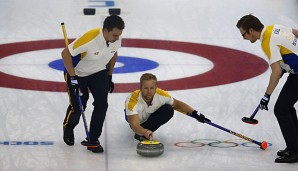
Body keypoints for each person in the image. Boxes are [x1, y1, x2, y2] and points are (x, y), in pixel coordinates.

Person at [236, 14, 298, 163]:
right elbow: (295, 32)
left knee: (281, 109)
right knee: (286, 107)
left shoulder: (267, 41)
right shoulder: (273, 28)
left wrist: (266, 96)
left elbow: (276, 72)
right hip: (296, 72)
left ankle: (295, 150)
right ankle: (295, 145)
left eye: (243, 34)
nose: (243, 38)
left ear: (251, 30)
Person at [61, 15, 125, 153]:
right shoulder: (90, 38)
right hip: (78, 74)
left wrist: (109, 75)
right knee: (79, 105)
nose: (117, 38)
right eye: (115, 35)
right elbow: (65, 53)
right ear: (106, 30)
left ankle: (93, 139)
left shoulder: (115, 39)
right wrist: (72, 77)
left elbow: (113, 54)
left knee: (102, 104)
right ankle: (68, 127)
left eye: (119, 35)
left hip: (98, 72)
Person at [124, 73, 210, 141]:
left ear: (156, 88)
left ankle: (144, 131)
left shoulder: (161, 95)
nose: (149, 91)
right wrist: (144, 132)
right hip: (136, 121)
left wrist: (195, 113)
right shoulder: (132, 100)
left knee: (168, 109)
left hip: (148, 117)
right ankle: (141, 133)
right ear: (140, 88)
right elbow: (134, 125)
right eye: (146, 88)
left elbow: (177, 104)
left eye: (152, 88)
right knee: (136, 127)